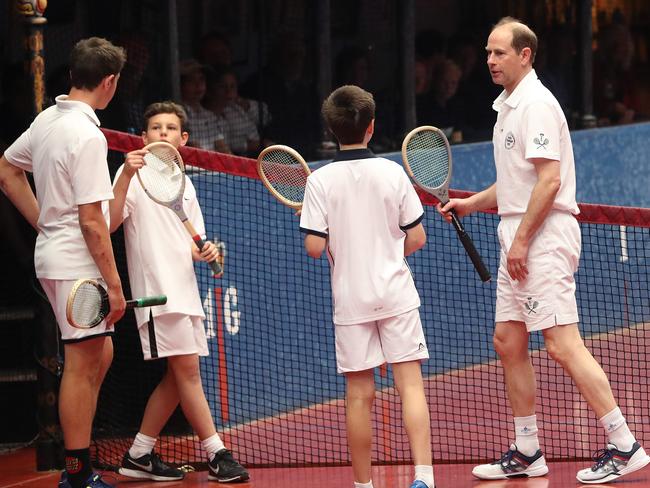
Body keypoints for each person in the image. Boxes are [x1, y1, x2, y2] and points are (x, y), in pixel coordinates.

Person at [437, 17, 650, 484]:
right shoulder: (508, 106)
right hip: (519, 232)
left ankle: (625, 444)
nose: (490, 60)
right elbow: (519, 181)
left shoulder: (535, 104)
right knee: (509, 341)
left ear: (524, 55)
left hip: (542, 236)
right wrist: (471, 203)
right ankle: (528, 450)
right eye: (488, 52)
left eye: (499, 52)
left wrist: (522, 241)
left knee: (560, 342)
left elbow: (550, 181)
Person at [0, 37, 127, 488]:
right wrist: (114, 286)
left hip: (55, 258)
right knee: (81, 363)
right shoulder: (88, 135)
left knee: (99, 353)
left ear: (73, 74)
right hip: (77, 266)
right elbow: (93, 222)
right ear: (109, 82)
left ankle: (78, 467)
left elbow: (7, 169)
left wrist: (44, 224)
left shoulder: (46, 120)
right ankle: (75, 475)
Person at [300, 85, 435, 488]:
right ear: (371, 127)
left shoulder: (319, 182)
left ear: (331, 129)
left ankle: (364, 485)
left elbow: (314, 248)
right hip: (395, 293)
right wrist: (388, 257)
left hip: (351, 300)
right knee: (409, 385)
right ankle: (424, 479)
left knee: (359, 395)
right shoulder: (393, 173)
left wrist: (318, 228)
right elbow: (417, 238)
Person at [108, 101, 249, 483]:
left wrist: (207, 251)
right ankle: (218, 454)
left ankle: (138, 454)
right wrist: (124, 176)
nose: (162, 134)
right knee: (187, 371)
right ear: (143, 137)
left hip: (185, 291)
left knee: (177, 377)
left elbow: (193, 239)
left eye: (170, 129)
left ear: (183, 139)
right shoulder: (132, 175)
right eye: (155, 128)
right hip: (157, 294)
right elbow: (109, 222)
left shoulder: (182, 181)